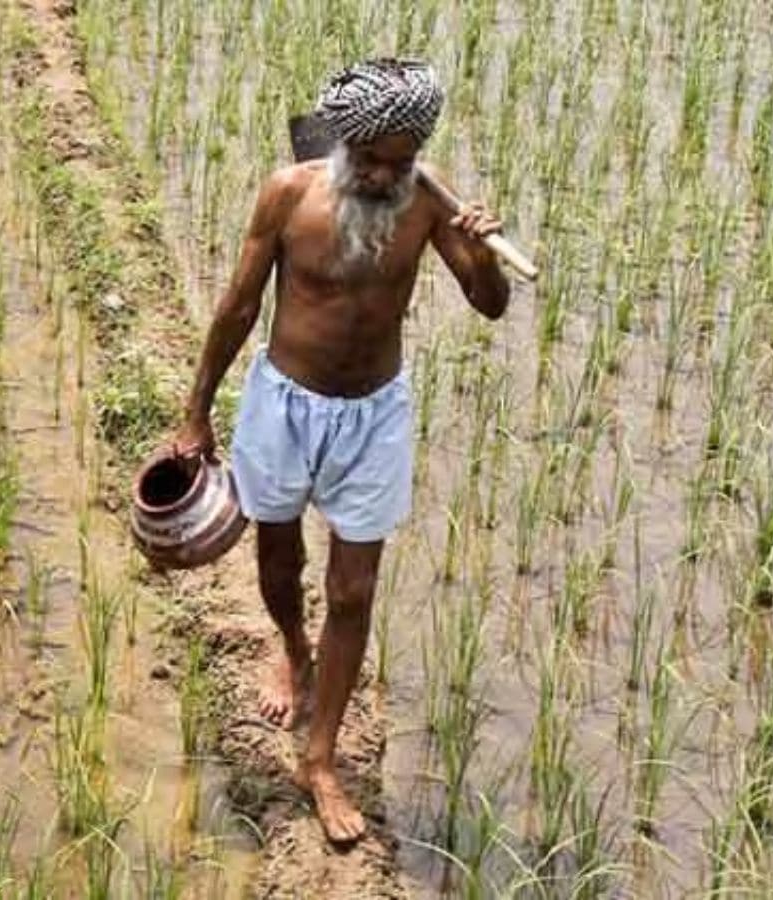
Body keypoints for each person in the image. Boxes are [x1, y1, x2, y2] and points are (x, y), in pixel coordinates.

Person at [170, 57, 510, 844]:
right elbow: (238, 307)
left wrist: (484, 251)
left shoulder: (427, 205)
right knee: (279, 559)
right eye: (374, 160)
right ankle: (293, 649)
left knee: (353, 591)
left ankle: (319, 760)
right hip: (285, 404)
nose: (387, 175)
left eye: (403, 160)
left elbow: (489, 305)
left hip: (374, 415)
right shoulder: (289, 195)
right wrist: (196, 412)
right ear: (345, 143)